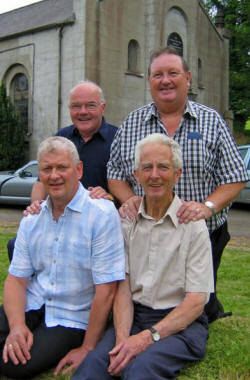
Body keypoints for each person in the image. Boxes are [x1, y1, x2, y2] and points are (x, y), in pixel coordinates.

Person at [107, 46, 249, 323]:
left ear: (188, 78)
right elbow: (114, 172)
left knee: (198, 302)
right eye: (158, 74)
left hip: (202, 232)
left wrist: (207, 207)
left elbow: (235, 177)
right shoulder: (132, 123)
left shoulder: (212, 121)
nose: (165, 80)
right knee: (146, 297)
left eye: (173, 73)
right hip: (148, 233)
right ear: (149, 81)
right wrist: (128, 199)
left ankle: (201, 314)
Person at [71, 134, 214, 380]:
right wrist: (123, 340)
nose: (154, 175)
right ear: (136, 175)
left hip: (180, 324)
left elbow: (195, 302)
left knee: (140, 370)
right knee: (95, 366)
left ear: (177, 174)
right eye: (147, 167)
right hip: (133, 316)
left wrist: (147, 338)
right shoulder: (126, 220)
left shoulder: (193, 225)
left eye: (163, 167)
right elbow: (123, 288)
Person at [0, 136, 125, 379]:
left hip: (72, 316)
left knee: (15, 365)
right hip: (33, 301)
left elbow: (107, 290)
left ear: (78, 170)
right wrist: (17, 326)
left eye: (62, 167)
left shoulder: (101, 214)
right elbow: (16, 280)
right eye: (47, 169)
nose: (54, 175)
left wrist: (88, 347)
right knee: (13, 345)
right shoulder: (32, 218)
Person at [7, 80, 117, 261]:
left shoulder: (117, 139)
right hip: (58, 223)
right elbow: (41, 183)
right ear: (69, 109)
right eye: (76, 106)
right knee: (18, 246)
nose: (82, 112)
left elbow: (127, 187)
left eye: (90, 105)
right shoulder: (61, 137)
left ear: (102, 108)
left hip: (97, 228)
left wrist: (109, 196)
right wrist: (37, 205)